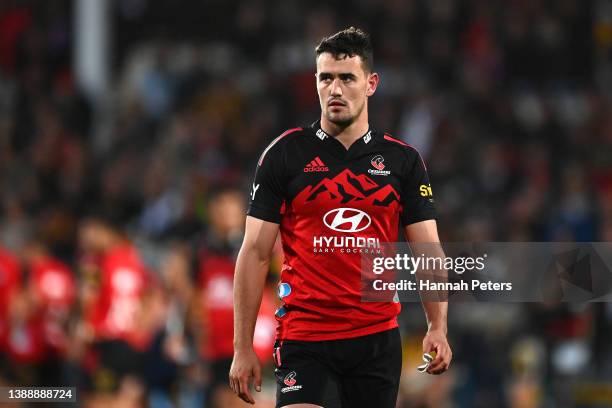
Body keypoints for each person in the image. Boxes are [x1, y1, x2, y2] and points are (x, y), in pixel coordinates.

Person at [230, 27, 452, 408]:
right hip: (305, 337)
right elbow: (254, 252)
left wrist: (437, 326)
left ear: (371, 83)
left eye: (347, 78)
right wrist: (242, 346)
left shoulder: (403, 162)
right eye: (326, 78)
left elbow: (428, 249)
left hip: (376, 340)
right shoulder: (284, 155)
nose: (335, 89)